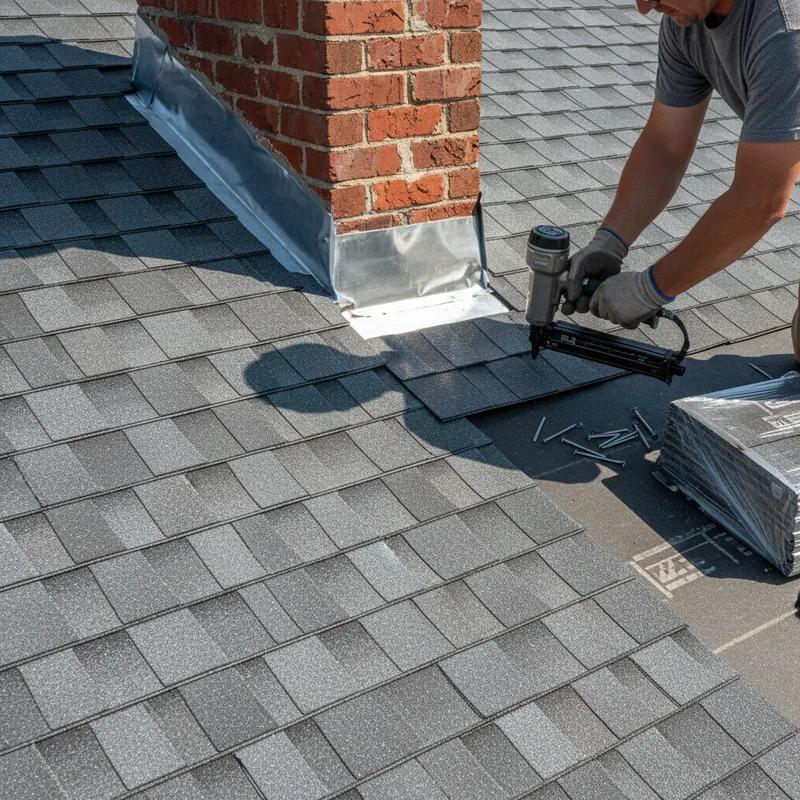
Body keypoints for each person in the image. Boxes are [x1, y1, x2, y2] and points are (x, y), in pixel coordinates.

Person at [565, 0, 800, 359]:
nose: (646, 6)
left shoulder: (785, 31)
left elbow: (760, 201)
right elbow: (665, 145)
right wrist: (609, 241)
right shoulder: (685, 20)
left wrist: (651, 289)